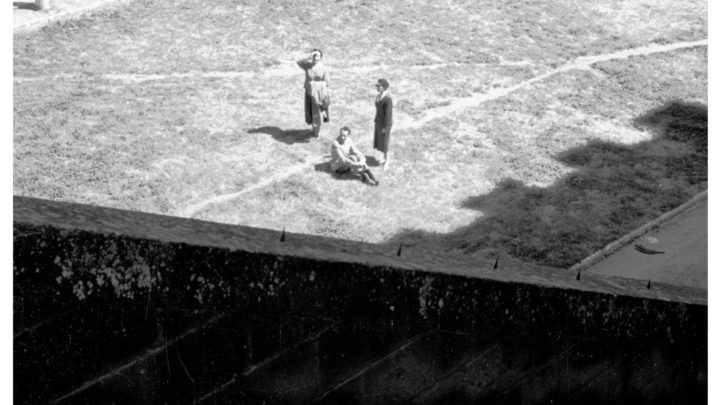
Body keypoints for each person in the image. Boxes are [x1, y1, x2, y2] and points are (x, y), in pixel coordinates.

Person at [297, 49, 330, 137]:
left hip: (318, 94)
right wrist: (308, 56)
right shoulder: (308, 66)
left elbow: (327, 82)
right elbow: (299, 62)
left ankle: (317, 132)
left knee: (317, 113)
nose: (315, 57)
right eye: (314, 55)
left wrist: (315, 86)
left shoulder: (324, 69)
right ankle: (313, 128)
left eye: (317, 55)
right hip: (308, 92)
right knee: (309, 111)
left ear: (321, 58)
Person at [373, 78, 393, 170]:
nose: (377, 87)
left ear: (384, 87)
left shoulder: (388, 99)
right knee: (380, 141)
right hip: (378, 122)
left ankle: (387, 161)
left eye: (379, 86)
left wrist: (386, 127)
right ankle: (384, 159)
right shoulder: (378, 96)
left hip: (385, 125)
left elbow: (388, 115)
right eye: (376, 86)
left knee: (385, 143)